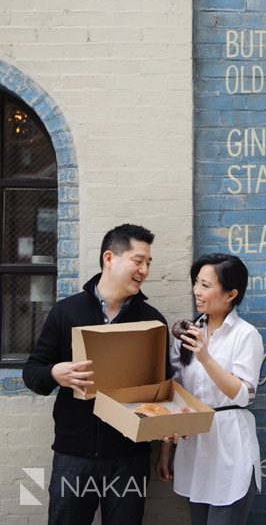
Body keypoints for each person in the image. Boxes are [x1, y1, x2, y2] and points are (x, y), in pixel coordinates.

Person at [23, 223, 171, 525]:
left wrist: (166, 440)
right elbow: (32, 374)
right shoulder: (66, 312)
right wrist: (55, 372)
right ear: (109, 258)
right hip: (73, 454)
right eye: (138, 260)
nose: (144, 270)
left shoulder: (153, 320)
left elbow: (163, 391)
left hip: (130, 456)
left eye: (148, 263)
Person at [156, 253, 264, 525]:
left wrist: (204, 355)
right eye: (196, 283)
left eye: (206, 285)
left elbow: (242, 394)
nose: (196, 291)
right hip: (194, 444)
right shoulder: (188, 334)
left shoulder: (246, 335)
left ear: (231, 294)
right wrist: (166, 451)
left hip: (230, 445)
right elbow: (175, 392)